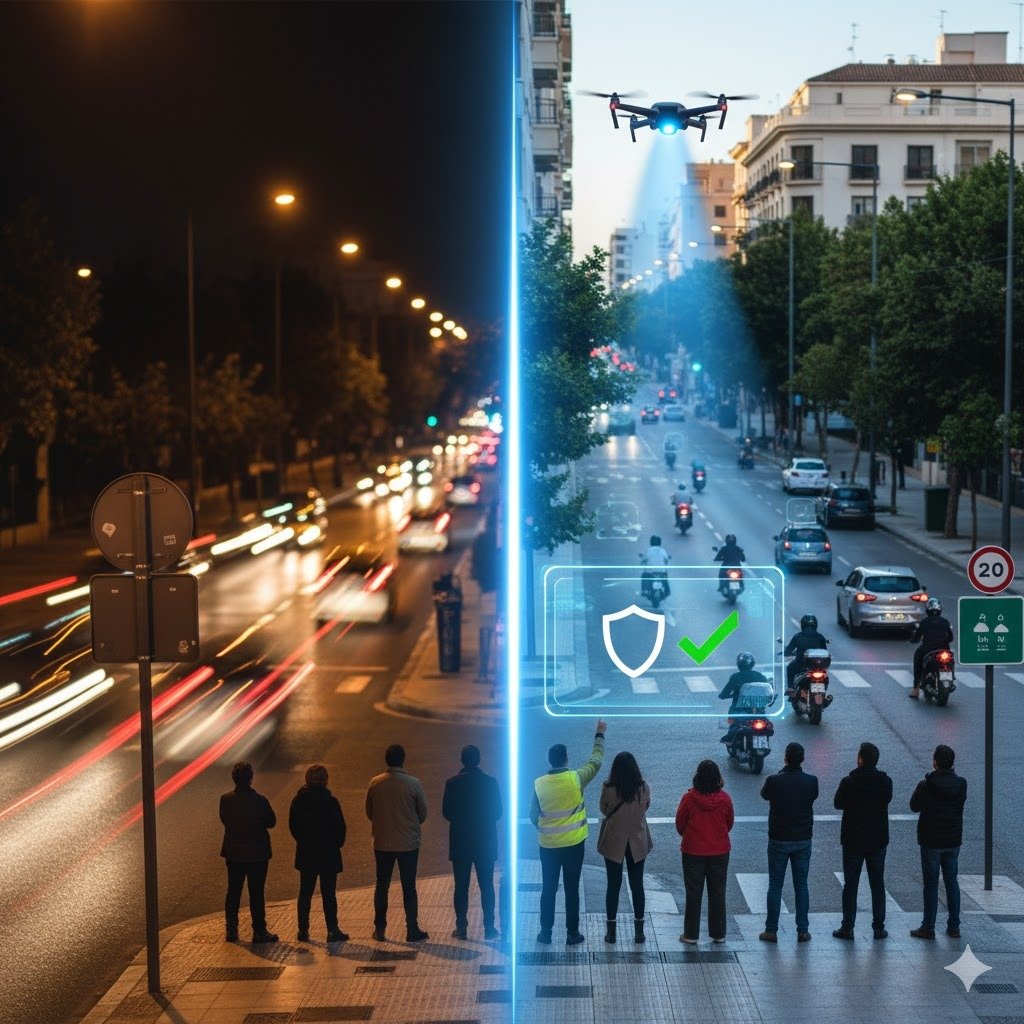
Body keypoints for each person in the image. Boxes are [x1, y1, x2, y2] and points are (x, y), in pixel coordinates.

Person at [530, 720, 607, 945]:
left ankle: (545, 933)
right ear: (566, 759)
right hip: (574, 844)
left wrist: (547, 830)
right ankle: (572, 933)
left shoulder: (539, 784)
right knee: (572, 889)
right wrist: (599, 734)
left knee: (549, 888)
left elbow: (532, 815)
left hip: (548, 846)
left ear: (549, 761)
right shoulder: (576, 778)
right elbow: (596, 761)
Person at [365, 744, 429, 942]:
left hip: (382, 843)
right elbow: (423, 813)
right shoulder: (413, 783)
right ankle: (412, 929)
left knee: (382, 885)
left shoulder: (375, 783)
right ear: (403, 759)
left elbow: (369, 812)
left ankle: (380, 929)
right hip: (408, 843)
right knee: (408, 886)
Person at [832, 743, 893, 940]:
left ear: (860, 759)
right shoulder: (885, 782)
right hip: (877, 840)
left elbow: (838, 803)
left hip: (853, 840)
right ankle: (878, 927)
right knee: (877, 884)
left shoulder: (849, 782)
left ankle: (848, 926)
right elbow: (887, 800)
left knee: (851, 885)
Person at [759, 742, 819, 944]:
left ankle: (771, 930)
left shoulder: (774, 780)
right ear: (802, 759)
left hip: (779, 839)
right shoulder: (812, 781)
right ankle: (803, 930)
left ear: (785, 758)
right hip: (803, 839)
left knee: (775, 885)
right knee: (801, 885)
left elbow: (764, 794)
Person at [442, 744, 503, 941]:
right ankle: (489, 927)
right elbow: (498, 813)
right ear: (478, 761)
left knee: (461, 886)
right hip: (485, 841)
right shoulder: (491, 783)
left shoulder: (452, 783)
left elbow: (447, 813)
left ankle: (461, 928)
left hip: (461, 842)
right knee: (487, 885)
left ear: (462, 760)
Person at [909, 744, 967, 940]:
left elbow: (913, 806)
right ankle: (954, 926)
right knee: (952, 882)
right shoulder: (961, 784)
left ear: (935, 762)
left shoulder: (926, 785)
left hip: (931, 841)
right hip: (952, 840)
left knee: (931, 884)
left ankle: (928, 927)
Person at [676, 760, 734, 945]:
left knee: (693, 892)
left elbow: (680, 824)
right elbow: (729, 823)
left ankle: (691, 935)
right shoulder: (725, 799)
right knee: (718, 892)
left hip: (693, 851)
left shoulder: (689, 798)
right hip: (719, 851)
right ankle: (718, 934)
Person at [219, 761, 278, 944]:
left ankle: (231, 929)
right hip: (257, 854)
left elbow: (224, 820)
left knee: (233, 891)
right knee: (256, 892)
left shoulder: (226, 800)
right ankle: (259, 930)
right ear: (251, 778)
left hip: (234, 853)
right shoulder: (260, 801)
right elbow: (271, 822)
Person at [597, 751, 652, 945]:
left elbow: (603, 809)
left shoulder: (609, 788)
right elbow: (646, 807)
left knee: (613, 884)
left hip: (614, 840)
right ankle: (639, 932)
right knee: (637, 885)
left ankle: (611, 932)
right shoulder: (643, 787)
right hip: (637, 840)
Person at [289, 764, 348, 943]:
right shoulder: (330, 801)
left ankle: (303, 930)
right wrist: (335, 844)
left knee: (305, 892)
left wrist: (303, 841)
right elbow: (340, 829)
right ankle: (332, 929)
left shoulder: (298, 800)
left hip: (307, 853)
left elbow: (293, 827)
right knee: (328, 893)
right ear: (325, 780)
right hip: (328, 853)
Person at [718, 652, 773, 746]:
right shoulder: (760, 676)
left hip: (740, 710)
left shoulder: (735, 677)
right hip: (757, 710)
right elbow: (768, 691)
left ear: (738, 664)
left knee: (733, 721)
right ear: (752, 664)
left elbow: (724, 694)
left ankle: (730, 736)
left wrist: (725, 696)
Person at [909, 598, 954, 699]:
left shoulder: (924, 622)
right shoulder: (945, 622)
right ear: (940, 610)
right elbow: (951, 638)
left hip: (928, 650)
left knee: (917, 659)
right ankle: (951, 678)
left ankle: (915, 689)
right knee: (951, 660)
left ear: (927, 610)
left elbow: (916, 637)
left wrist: (912, 640)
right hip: (944, 650)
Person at [783, 614, 830, 696]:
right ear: (815, 625)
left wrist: (787, 652)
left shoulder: (798, 636)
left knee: (790, 667)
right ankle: (823, 693)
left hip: (801, 664)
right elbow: (824, 651)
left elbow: (788, 650)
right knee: (824, 674)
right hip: (817, 666)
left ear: (802, 625)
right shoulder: (820, 637)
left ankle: (791, 688)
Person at [640, 535, 671, 600]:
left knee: (643, 576)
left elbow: (643, 560)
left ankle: (644, 591)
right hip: (661, 572)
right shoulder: (662, 550)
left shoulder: (648, 550)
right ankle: (667, 591)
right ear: (660, 542)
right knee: (665, 579)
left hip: (650, 572)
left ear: (651, 542)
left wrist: (642, 561)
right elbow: (666, 560)